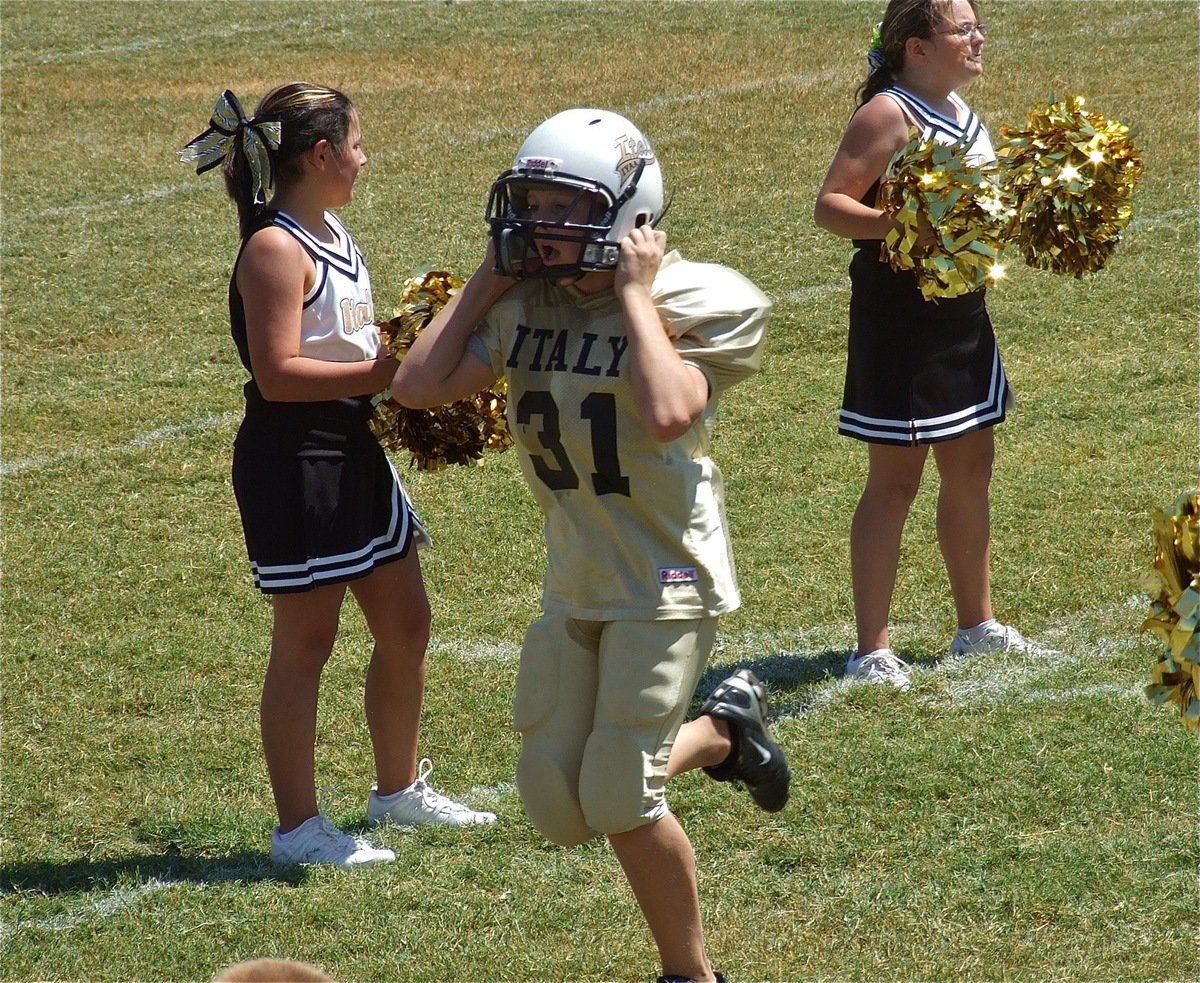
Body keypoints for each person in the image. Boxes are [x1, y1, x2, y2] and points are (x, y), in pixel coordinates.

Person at [390, 108, 791, 983]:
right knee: (557, 804)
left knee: (619, 792)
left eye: (562, 206)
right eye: (530, 199)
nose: (538, 221)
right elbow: (417, 388)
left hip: (666, 569)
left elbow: (668, 412)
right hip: (576, 566)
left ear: (628, 215)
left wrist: (636, 296)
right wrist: (485, 287)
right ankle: (724, 729)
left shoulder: (699, 296)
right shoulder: (525, 299)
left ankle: (691, 974)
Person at [180, 83, 495, 868]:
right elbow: (278, 373)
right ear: (319, 156)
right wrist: (385, 373)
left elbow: (340, 344)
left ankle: (396, 791)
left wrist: (398, 356)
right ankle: (299, 830)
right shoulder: (274, 248)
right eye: (356, 144)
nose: (364, 156)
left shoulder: (328, 228)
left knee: (407, 622)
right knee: (306, 641)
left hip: (354, 451)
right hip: (297, 461)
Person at [813, 0, 1053, 689]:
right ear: (917, 47)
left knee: (973, 461)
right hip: (903, 323)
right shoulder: (889, 114)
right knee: (895, 481)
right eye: (962, 29)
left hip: (963, 316)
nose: (978, 38)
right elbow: (831, 206)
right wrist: (903, 225)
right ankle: (872, 649)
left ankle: (976, 626)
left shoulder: (958, 111)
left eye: (978, 26)